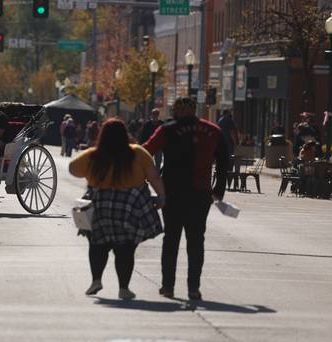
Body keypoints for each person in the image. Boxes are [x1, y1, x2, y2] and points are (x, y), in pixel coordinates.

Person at [144, 97, 228, 301]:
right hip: (200, 192)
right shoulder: (212, 130)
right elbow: (224, 160)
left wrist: (149, 181)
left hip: (173, 191)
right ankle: (193, 288)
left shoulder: (167, 130)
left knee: (171, 239)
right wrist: (218, 190)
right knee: (196, 241)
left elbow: (145, 152)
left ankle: (168, 287)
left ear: (177, 111)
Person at [70, 119, 164, 298]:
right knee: (126, 248)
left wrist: (91, 173)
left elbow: (73, 169)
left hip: (101, 205)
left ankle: (96, 280)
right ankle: (123, 288)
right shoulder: (138, 152)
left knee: (97, 244)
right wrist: (161, 196)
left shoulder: (94, 155)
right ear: (125, 134)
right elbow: (154, 177)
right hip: (129, 206)